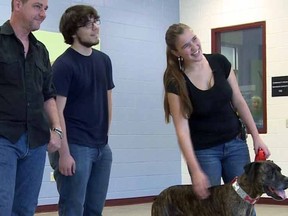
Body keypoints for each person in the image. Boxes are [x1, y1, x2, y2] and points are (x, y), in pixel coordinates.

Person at [163, 23, 270, 202]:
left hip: (235, 144)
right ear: (176, 53)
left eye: (194, 39)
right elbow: (182, 130)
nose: (195, 47)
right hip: (204, 152)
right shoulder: (176, 80)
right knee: (209, 206)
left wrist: (256, 137)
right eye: (186, 46)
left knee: (244, 202)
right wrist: (195, 170)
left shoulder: (219, 62)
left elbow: (239, 101)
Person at [48, 5, 114, 216]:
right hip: (75, 147)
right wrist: (64, 153)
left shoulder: (103, 61)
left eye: (96, 21)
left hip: (101, 147)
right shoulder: (63, 65)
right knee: (73, 208)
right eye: (88, 24)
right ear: (73, 31)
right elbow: (57, 114)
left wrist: (104, 138)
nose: (95, 28)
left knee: (95, 209)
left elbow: (108, 100)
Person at [0, 0, 62, 215]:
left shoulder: (40, 50)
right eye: (37, 6)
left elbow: (48, 95)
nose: (43, 13)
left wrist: (56, 128)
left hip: (36, 141)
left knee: (25, 209)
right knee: (2, 206)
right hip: (4, 139)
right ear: (18, 4)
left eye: (45, 8)